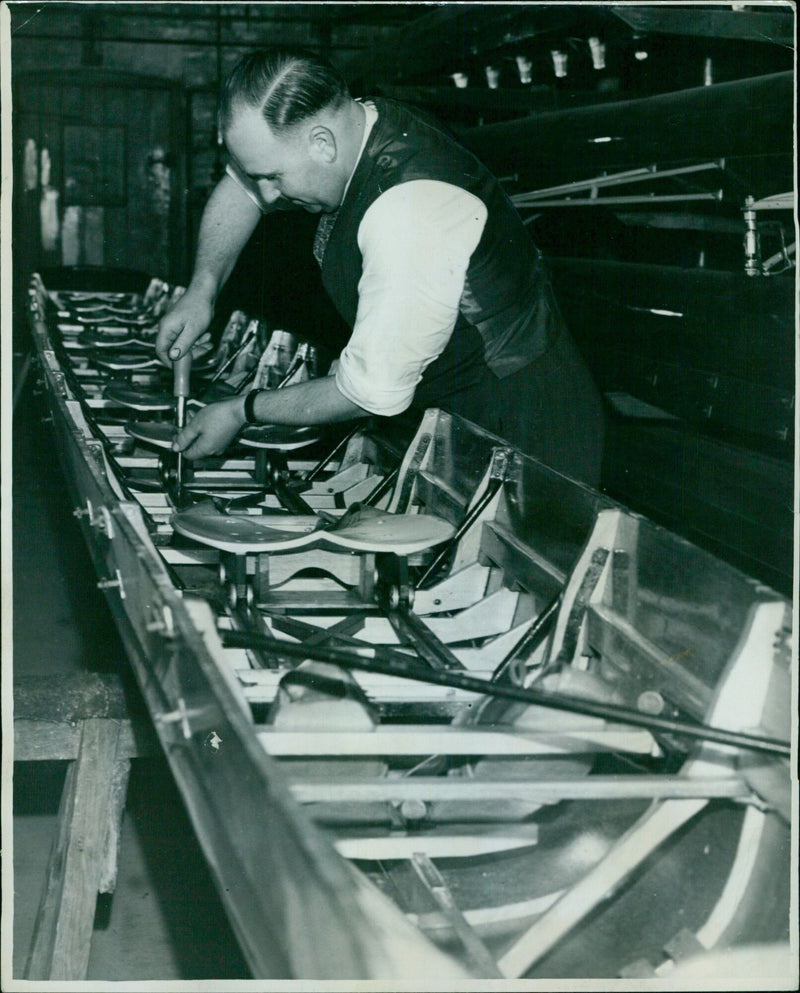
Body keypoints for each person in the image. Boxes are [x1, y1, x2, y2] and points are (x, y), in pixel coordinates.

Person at [159, 48, 604, 484]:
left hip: (518, 420)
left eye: (275, 177)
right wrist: (202, 289)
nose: (269, 196)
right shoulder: (356, 121)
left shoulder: (410, 211)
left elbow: (369, 391)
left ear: (321, 143)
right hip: (448, 403)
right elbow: (242, 187)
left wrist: (241, 410)